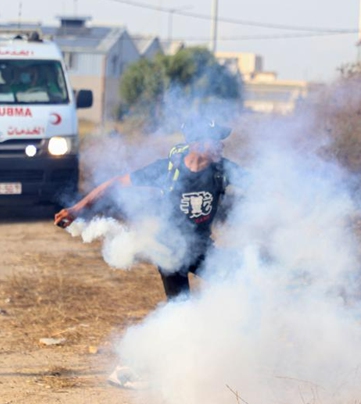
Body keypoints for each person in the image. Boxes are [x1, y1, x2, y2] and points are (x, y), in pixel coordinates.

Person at [54, 118, 245, 301]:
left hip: (202, 246)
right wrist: (77, 209)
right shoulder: (168, 169)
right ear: (199, 143)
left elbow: (263, 183)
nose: (222, 145)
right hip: (169, 250)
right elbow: (116, 183)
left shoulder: (223, 169)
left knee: (239, 281)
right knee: (180, 309)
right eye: (216, 140)